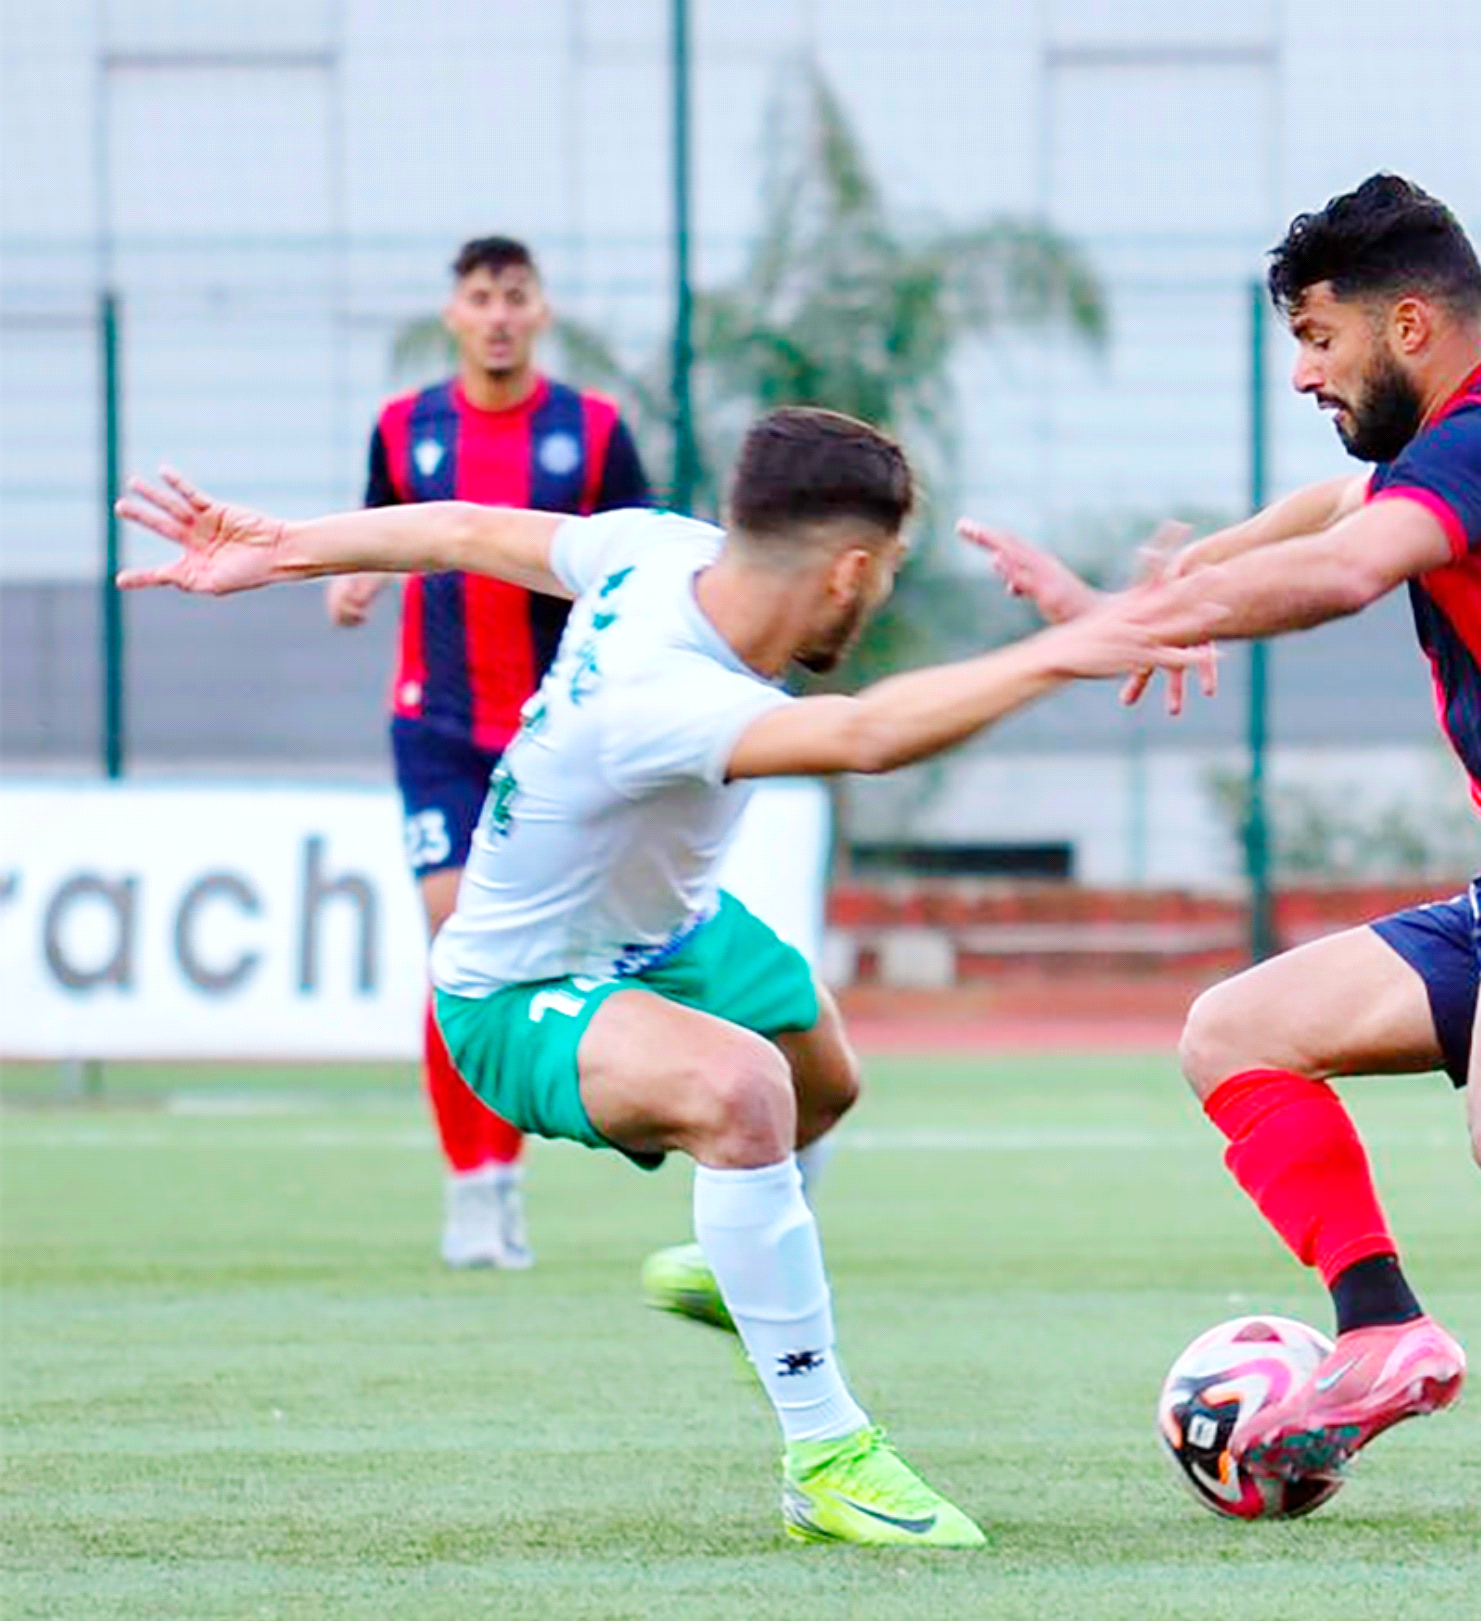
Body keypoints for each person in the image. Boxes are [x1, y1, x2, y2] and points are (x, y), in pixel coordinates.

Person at [116, 407, 1216, 1549]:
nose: (881, 594)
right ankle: (827, 1457)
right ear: (847, 570)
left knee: (822, 1079)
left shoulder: (655, 547)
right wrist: (1060, 653)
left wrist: (284, 543)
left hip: (670, 931)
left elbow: (458, 528)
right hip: (514, 994)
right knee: (744, 1093)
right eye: (885, 573)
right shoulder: (659, 695)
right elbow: (864, 736)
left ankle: (731, 1264)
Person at [962, 173, 1481, 1536]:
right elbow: (1320, 517)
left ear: (1408, 325)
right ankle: (1382, 1328)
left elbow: (1345, 569)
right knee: (1234, 1032)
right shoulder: (1473, 430)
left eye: (1319, 339)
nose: (1302, 372)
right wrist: (1162, 589)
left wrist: (1128, 629)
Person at [328, 235, 654, 1270]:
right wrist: (359, 577)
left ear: (543, 311)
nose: (500, 314)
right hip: (435, 721)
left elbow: (634, 555)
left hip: (560, 727)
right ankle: (477, 1187)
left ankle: (527, 1150)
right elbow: (385, 518)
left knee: (533, 948)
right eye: (480, 296)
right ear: (454, 314)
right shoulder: (404, 425)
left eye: (517, 295)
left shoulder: (592, 431)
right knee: (457, 932)